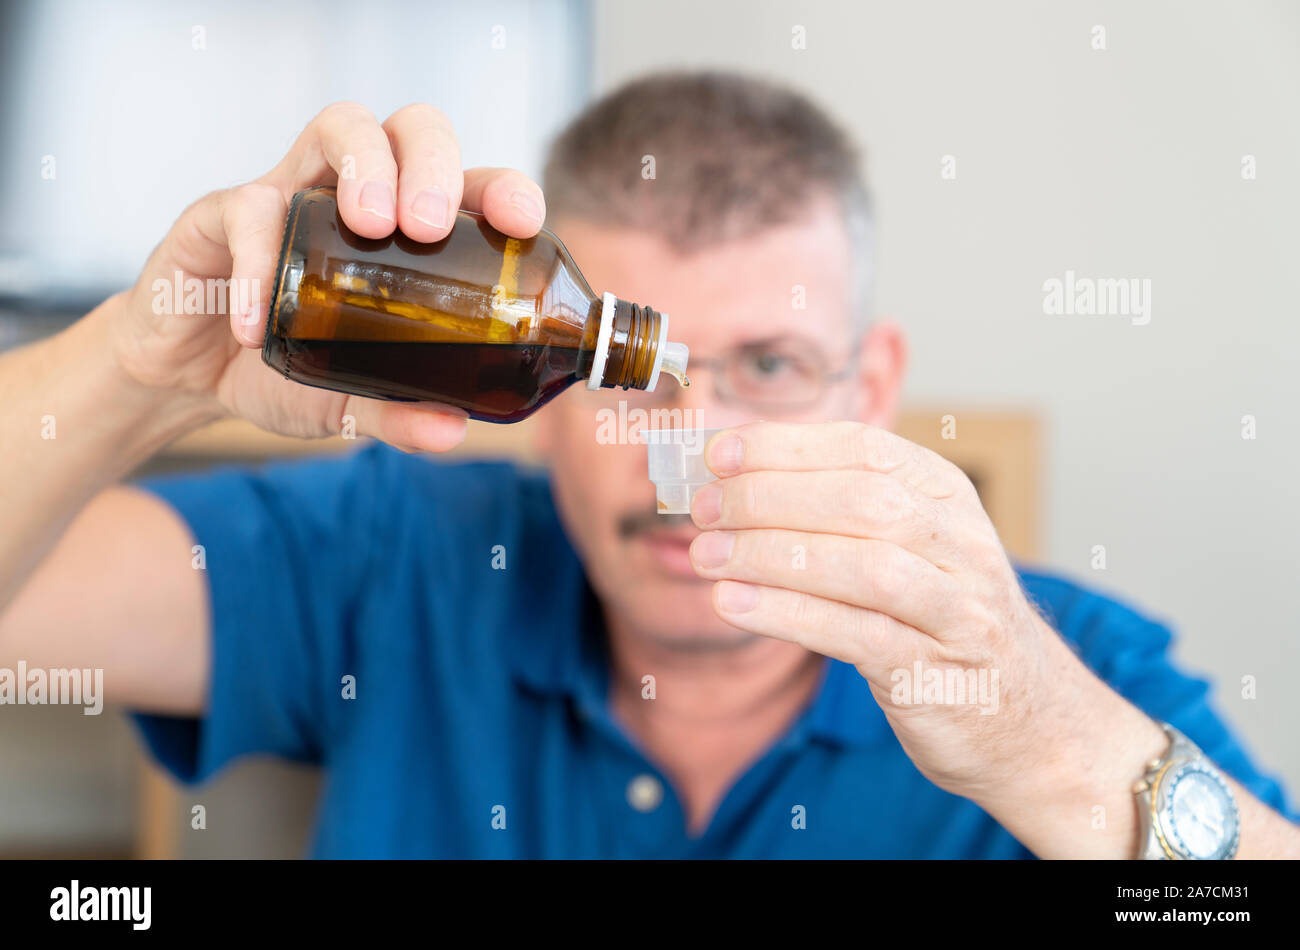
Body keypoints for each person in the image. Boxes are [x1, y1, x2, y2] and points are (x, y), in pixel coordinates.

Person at [1, 72, 1296, 858]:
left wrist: (1044, 742)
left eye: (773, 366)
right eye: (642, 379)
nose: (697, 448)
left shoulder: (1061, 664)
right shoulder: (400, 552)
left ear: (874, 384)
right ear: (539, 387)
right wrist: (134, 367)